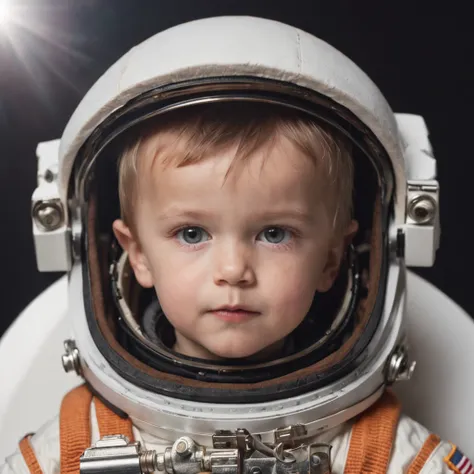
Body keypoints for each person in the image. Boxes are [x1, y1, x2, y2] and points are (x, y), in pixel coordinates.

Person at [2, 15, 470, 474]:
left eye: (274, 233)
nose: (233, 270)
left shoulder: (382, 453)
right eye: (192, 233)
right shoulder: (80, 444)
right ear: (138, 254)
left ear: (331, 257)